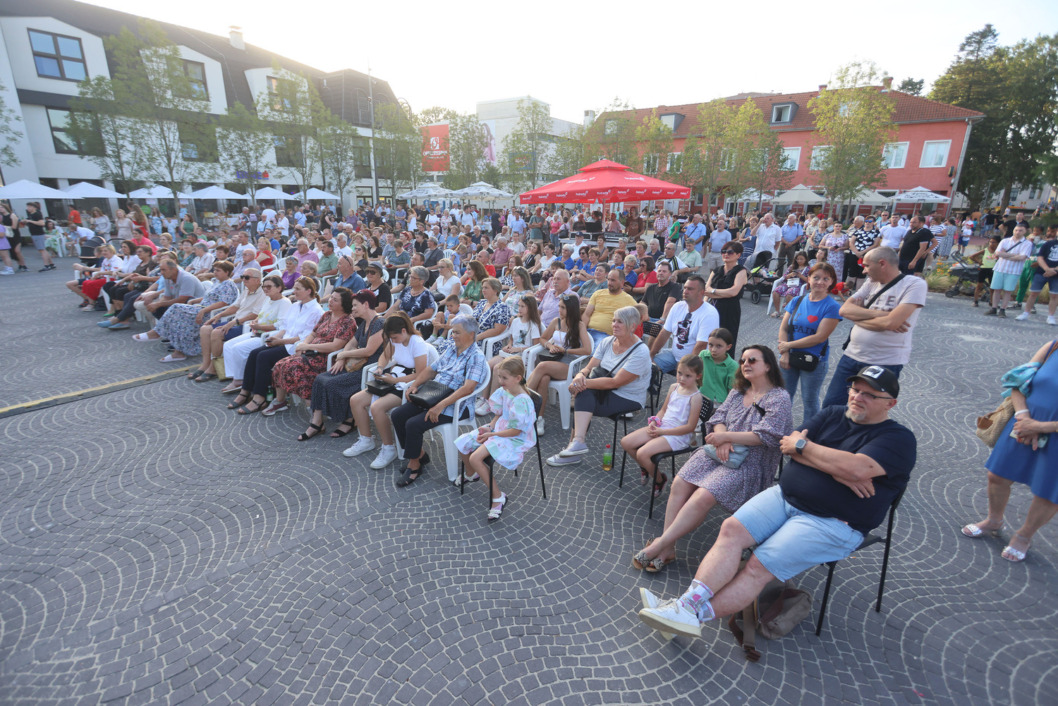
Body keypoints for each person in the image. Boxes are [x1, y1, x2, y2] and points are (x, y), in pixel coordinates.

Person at [637, 365, 914, 639]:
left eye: (869, 394)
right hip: (785, 497)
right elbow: (788, 444)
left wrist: (808, 450)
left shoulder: (897, 439)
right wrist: (835, 466)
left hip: (833, 522)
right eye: (855, 389)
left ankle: (690, 616)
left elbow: (856, 468)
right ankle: (684, 606)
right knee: (730, 530)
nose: (857, 396)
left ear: (891, 403)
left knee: (759, 564)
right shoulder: (832, 414)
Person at [630, 345, 792, 573]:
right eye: (743, 360)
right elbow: (718, 417)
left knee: (703, 494)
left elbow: (765, 436)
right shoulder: (739, 391)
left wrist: (725, 436)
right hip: (718, 450)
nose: (745, 364)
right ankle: (668, 549)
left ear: (768, 365)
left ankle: (661, 544)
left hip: (749, 463)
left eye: (752, 360)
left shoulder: (778, 398)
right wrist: (723, 438)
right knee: (679, 482)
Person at [961, 340, 1058, 562]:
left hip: (1047, 431)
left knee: (1049, 492)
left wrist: (1040, 427)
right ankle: (994, 520)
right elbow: (1018, 382)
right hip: (1022, 424)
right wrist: (1024, 417)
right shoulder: (1053, 346)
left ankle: (1024, 535)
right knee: (997, 475)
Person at [390, 315, 490, 486]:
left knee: (413, 424)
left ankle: (414, 466)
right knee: (398, 415)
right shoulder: (452, 348)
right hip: (433, 396)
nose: (453, 335)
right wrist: (415, 384)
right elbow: (431, 369)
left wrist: (440, 405)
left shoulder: (476, 357)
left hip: (456, 405)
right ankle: (420, 455)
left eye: (457, 332)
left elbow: (468, 388)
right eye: (452, 332)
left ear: (471, 334)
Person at [820, 247, 927, 408]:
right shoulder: (871, 283)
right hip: (851, 357)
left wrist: (860, 317)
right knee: (832, 407)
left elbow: (891, 324)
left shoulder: (914, 284)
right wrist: (884, 315)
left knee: (866, 411)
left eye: (867, 266)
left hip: (884, 362)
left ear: (882, 264)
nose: (864, 271)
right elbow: (844, 310)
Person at [548, 306, 652, 465]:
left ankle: (574, 448)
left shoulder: (641, 352)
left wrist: (581, 384)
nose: (615, 325)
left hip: (628, 396)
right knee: (584, 393)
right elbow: (589, 367)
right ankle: (576, 444)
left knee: (583, 396)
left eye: (620, 322)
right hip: (603, 390)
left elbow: (615, 382)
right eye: (614, 321)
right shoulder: (608, 341)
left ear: (632, 326)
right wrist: (580, 376)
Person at [344, 313, 434, 468]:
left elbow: (421, 373)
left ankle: (389, 448)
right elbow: (385, 356)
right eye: (391, 338)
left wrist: (394, 380)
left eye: (395, 338)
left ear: (404, 331)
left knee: (377, 407)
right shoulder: (395, 339)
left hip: (410, 384)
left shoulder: (417, 343)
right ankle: (366, 439)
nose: (393, 341)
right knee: (355, 400)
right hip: (393, 379)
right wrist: (379, 368)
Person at [456, 357, 538, 520]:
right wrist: (490, 427)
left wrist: (492, 435)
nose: (500, 381)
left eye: (504, 378)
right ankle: (472, 475)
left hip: (514, 437)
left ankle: (498, 496)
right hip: (500, 430)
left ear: (518, 378)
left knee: (475, 458)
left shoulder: (522, 402)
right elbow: (499, 414)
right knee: (463, 442)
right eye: (499, 377)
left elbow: (515, 431)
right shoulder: (506, 391)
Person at [298, 290, 386, 440]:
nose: (352, 309)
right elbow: (352, 343)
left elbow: (369, 351)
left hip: (369, 368)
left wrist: (344, 355)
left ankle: (349, 420)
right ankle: (317, 422)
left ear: (366, 305)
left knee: (334, 383)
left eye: (355, 306)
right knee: (320, 379)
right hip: (357, 364)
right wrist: (340, 359)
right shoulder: (365, 323)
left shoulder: (380, 323)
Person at [230, 277, 323, 414]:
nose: (294, 291)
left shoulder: (316, 311)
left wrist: (281, 341)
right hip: (284, 342)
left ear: (308, 291)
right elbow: (285, 326)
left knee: (263, 357)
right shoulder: (296, 306)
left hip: (295, 347)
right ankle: (245, 391)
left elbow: (305, 337)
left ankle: (259, 397)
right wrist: (276, 337)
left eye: (298, 289)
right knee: (254, 353)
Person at [262, 287, 358, 416]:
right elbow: (313, 334)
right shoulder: (327, 315)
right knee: (279, 365)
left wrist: (309, 347)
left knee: (296, 368)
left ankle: (312, 407)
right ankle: (280, 401)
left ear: (344, 304)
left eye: (335, 300)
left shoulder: (347, 321)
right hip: (310, 353)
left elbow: (335, 346)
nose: (330, 301)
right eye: (331, 297)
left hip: (325, 357)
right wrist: (304, 344)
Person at [620, 355, 705, 499]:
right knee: (626, 442)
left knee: (642, 453)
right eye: (679, 373)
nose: (682, 378)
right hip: (663, 427)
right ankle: (647, 466)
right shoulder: (674, 387)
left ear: (698, 376)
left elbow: (690, 427)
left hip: (678, 436)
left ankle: (660, 480)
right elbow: (663, 410)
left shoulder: (696, 398)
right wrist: (654, 422)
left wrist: (662, 431)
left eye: (688, 376)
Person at [777, 262, 843, 423]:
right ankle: (779, 429)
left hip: (814, 360)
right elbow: (784, 329)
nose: (820, 282)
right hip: (789, 357)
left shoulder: (833, 307)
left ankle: (809, 435)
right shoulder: (797, 301)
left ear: (831, 282)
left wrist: (788, 346)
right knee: (783, 397)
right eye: (816, 277)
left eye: (825, 279)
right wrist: (785, 352)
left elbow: (820, 337)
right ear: (809, 279)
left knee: (809, 400)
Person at [526, 294, 593, 435]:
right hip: (554, 360)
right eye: (559, 306)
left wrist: (567, 350)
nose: (560, 310)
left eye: (563, 307)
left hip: (569, 364)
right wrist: (550, 345)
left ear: (571, 309)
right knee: (543, 379)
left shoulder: (579, 326)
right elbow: (543, 338)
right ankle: (539, 419)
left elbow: (587, 350)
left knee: (542, 367)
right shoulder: (556, 321)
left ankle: (521, 400)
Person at [151, 261, 239, 362]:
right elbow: (209, 297)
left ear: (227, 272)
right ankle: (178, 350)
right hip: (202, 308)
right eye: (214, 270)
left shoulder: (228, 284)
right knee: (179, 319)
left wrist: (204, 310)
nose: (215, 272)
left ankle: (157, 333)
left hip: (211, 313)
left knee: (176, 308)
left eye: (218, 270)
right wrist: (195, 300)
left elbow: (224, 303)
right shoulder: (217, 282)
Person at [189, 268, 268, 380]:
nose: (243, 280)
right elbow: (235, 306)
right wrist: (219, 315)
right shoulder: (246, 289)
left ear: (257, 280)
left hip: (246, 325)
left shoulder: (263, 293)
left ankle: (213, 368)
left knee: (217, 333)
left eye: (247, 277)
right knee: (205, 329)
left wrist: (233, 322)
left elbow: (255, 315)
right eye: (242, 277)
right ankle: (205, 364)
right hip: (236, 321)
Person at [479, 295, 542, 409]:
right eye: (519, 306)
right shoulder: (516, 321)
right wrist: (509, 345)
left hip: (522, 357)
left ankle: (492, 402)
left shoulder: (533, 325)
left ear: (530, 308)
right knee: (488, 365)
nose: (520, 308)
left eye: (523, 306)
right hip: (511, 353)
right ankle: (483, 398)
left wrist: (519, 349)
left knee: (498, 368)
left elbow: (535, 345)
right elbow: (512, 338)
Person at [649, 276, 719, 374]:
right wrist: (651, 354)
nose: (685, 291)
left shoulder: (710, 313)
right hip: (673, 355)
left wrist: (684, 367)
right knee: (645, 366)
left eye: (690, 289)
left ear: (701, 292)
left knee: (683, 383)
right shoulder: (677, 306)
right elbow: (664, 333)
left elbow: (701, 345)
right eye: (685, 288)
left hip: (696, 361)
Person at [704, 241, 747, 350]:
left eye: (730, 252)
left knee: (726, 340)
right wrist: (705, 303)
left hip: (730, 310)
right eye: (723, 251)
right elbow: (706, 290)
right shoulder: (717, 270)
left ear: (738, 255)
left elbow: (733, 292)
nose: (726, 254)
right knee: (709, 337)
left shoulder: (741, 271)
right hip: (712, 308)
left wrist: (713, 292)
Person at [985, 223, 1034, 318]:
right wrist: (1013, 255)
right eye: (1016, 230)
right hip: (1000, 268)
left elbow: (1022, 257)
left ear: (1025, 231)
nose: (1018, 232)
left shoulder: (1027, 243)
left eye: (1020, 230)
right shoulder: (1005, 241)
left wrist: (1006, 254)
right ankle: (994, 308)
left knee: (1008, 291)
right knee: (996, 289)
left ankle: (1003, 309)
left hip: (1014, 270)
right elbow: (998, 253)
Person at [1014, 225, 1057, 325]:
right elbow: (1040, 257)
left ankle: (1051, 316)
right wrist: (1047, 269)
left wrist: (1054, 270)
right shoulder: (1048, 243)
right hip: (1042, 272)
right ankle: (1026, 313)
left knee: (1054, 295)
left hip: (1056, 274)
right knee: (1033, 293)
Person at [584, 269, 638, 347]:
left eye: (613, 280)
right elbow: (586, 315)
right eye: (608, 279)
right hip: (588, 332)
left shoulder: (628, 299)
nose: (609, 283)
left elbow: (641, 316)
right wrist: (582, 332)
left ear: (622, 283)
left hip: (606, 336)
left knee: (593, 352)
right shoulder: (598, 294)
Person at [698, 328, 737, 409]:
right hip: (699, 396)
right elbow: (696, 376)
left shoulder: (733, 366)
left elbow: (732, 391)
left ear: (728, 347)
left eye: (719, 346)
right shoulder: (703, 355)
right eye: (710, 345)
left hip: (719, 403)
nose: (713, 350)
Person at [769, 251, 811, 316]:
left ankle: (786, 313)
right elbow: (784, 277)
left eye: (801, 259)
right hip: (789, 283)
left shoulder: (808, 269)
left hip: (799, 285)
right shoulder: (792, 266)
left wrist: (800, 276)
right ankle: (777, 311)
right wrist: (790, 275)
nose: (799, 261)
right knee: (776, 291)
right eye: (798, 259)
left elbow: (809, 281)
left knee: (790, 292)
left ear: (805, 259)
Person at [22, 202, 55, 272]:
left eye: (29, 207)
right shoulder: (30, 214)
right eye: (27, 207)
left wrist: (30, 221)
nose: (27, 208)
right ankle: (51, 264)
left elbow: (42, 223)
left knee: (42, 250)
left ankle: (46, 265)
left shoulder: (37, 214)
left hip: (38, 233)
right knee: (42, 249)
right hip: (34, 233)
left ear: (33, 207)